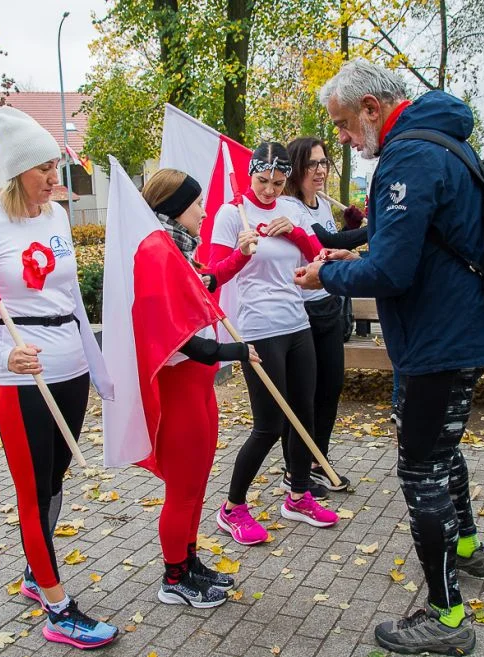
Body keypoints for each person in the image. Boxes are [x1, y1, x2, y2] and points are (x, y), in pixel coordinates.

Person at [295, 59, 484, 655]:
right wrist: (346, 263)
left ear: (370, 107)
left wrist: (324, 278)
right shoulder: (442, 142)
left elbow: (391, 269)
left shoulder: (408, 155)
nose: (339, 136)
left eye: (341, 122)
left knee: (420, 470)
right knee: (442, 451)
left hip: (438, 341)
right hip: (464, 331)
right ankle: (467, 548)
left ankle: (446, 616)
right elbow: (401, 243)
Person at [0, 106, 118, 650]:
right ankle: (57, 608)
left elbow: (71, 297)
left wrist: (97, 367)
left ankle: (36, 570)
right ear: (16, 173)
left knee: (54, 481)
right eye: (45, 171)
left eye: (58, 167)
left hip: (70, 367)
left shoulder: (55, 217)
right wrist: (1, 355)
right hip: (23, 381)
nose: (57, 180)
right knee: (32, 492)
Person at [139, 168, 262, 607]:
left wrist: (237, 260)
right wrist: (231, 352)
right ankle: (174, 578)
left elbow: (204, 283)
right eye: (195, 204)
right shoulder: (157, 251)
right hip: (180, 390)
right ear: (174, 207)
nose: (204, 211)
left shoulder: (178, 248)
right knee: (184, 488)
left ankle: (188, 562)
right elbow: (170, 336)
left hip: (198, 389)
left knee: (196, 482)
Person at [210, 141, 339, 546]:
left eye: (278, 182)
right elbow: (212, 275)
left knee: (304, 414)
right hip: (259, 328)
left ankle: (298, 495)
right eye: (263, 181)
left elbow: (319, 259)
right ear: (251, 174)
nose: (270, 190)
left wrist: (298, 232)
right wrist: (242, 253)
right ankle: (232, 507)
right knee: (269, 425)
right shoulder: (232, 214)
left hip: (297, 323)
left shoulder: (290, 209)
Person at [277, 137, 367, 496]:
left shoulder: (319, 204)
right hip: (302, 311)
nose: (321, 170)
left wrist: (351, 226)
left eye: (324, 163)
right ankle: (293, 468)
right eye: (312, 164)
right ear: (297, 168)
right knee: (304, 394)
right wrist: (382, 227)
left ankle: (318, 460)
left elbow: (333, 246)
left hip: (329, 304)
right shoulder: (288, 207)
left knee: (331, 386)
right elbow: (325, 242)